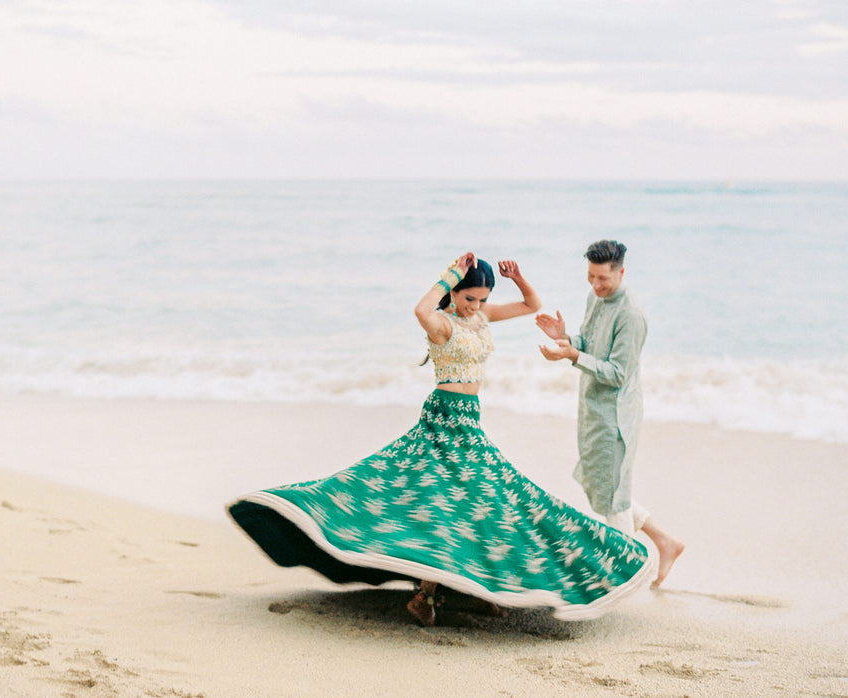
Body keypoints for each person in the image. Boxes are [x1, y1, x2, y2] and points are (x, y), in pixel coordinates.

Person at [228, 252, 653, 627]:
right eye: (470, 298)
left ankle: (468, 588)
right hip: (443, 421)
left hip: (471, 423)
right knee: (441, 504)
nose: (476, 307)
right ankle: (425, 596)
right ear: (455, 296)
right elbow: (420, 308)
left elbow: (531, 306)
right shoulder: (442, 324)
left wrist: (518, 278)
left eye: (482, 299)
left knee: (490, 501)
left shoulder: (481, 318)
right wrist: (450, 276)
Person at [537, 240, 684, 587]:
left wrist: (572, 356)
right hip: (592, 407)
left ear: (621, 272)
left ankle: (620, 579)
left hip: (616, 415)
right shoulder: (595, 297)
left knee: (613, 498)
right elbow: (588, 341)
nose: (595, 285)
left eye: (603, 278)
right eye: (590, 276)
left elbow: (618, 372)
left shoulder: (632, 314)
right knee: (605, 488)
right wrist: (566, 338)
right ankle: (666, 543)